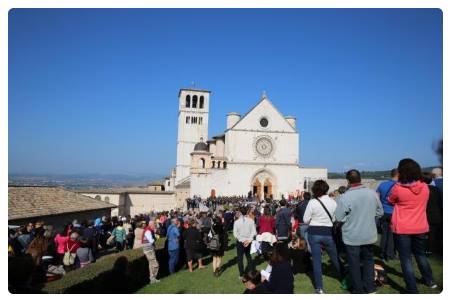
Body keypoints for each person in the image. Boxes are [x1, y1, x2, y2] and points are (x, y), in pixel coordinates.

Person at [388, 159, 437, 293]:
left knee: (406, 258)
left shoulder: (398, 188)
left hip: (402, 227)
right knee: (420, 255)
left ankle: (412, 288)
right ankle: (430, 280)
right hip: (420, 226)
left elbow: (390, 200)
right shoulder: (425, 187)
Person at [335, 169, 383, 294]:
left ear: (348, 181)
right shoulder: (372, 193)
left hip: (352, 235)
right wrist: (367, 215)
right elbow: (380, 212)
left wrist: (351, 217)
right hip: (368, 233)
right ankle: (370, 287)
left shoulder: (345, 197)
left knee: (354, 263)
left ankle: (358, 290)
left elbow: (339, 217)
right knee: (368, 260)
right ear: (360, 179)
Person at [303, 180, 343, 294]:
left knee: (316, 261)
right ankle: (344, 276)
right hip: (328, 232)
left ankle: (319, 288)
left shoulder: (312, 202)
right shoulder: (333, 202)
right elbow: (336, 218)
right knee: (334, 257)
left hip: (314, 232)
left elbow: (306, 219)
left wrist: (315, 219)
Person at [376, 168, 398, 262]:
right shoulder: (399, 186)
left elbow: (377, 198)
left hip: (384, 212)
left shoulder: (382, 184)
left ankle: (382, 252)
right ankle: (390, 253)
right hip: (395, 212)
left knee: (384, 233)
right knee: (393, 234)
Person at [422, 172, 443, 256]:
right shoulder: (436, 189)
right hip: (436, 214)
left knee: (428, 234)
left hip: (425, 214)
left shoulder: (422, 190)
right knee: (434, 234)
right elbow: (441, 203)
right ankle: (434, 249)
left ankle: (429, 250)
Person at [233, 206, 257, 279]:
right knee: (248, 257)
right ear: (247, 212)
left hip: (242, 241)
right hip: (245, 241)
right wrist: (247, 240)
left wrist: (246, 240)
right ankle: (249, 272)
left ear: (240, 212)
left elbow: (235, 233)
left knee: (241, 258)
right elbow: (254, 232)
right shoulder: (250, 221)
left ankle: (242, 274)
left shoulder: (237, 222)